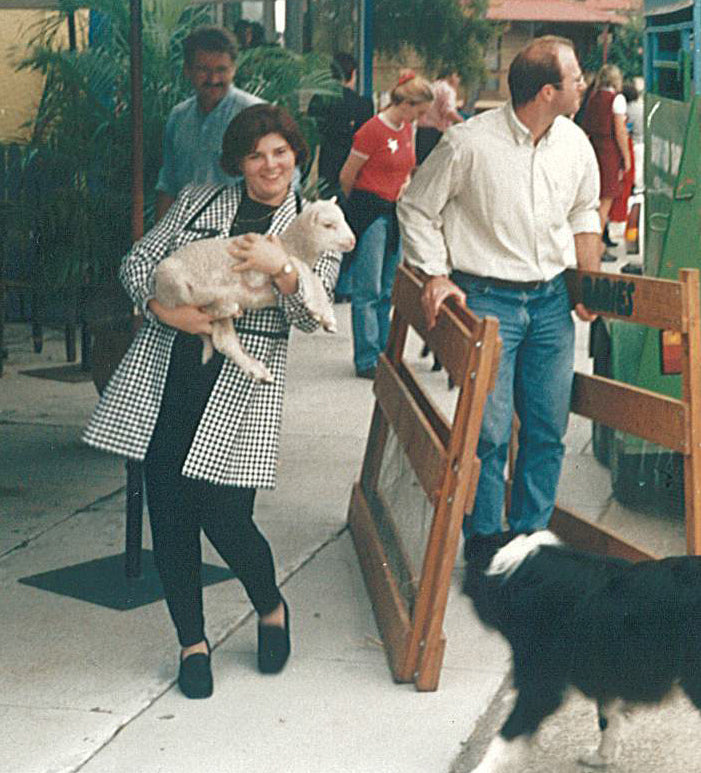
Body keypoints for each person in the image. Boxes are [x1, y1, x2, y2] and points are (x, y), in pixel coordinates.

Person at [84, 105, 341, 698]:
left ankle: (269, 603)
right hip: (166, 373)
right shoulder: (201, 202)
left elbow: (311, 315)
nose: (269, 165)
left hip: (239, 386)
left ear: (295, 155)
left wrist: (285, 271)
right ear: (238, 163)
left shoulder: (313, 223)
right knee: (169, 511)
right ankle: (191, 643)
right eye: (256, 155)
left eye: (280, 152)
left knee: (226, 516)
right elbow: (138, 264)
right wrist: (162, 308)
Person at [397, 36, 601, 561]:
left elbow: (583, 213)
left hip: (553, 303)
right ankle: (487, 547)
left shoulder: (575, 143)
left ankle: (529, 546)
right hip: (488, 301)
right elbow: (418, 207)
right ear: (548, 90)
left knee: (548, 428)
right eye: (575, 76)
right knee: (486, 434)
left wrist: (590, 281)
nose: (584, 82)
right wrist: (436, 274)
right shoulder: (468, 143)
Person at [339, 70, 433, 379]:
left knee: (387, 288)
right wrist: (360, 207)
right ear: (405, 103)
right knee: (368, 286)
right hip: (370, 211)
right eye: (418, 111)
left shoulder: (407, 128)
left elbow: (408, 166)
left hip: (394, 211)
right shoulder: (371, 130)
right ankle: (367, 356)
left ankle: (383, 350)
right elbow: (347, 175)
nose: (418, 118)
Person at [154, 25, 263, 222]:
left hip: (239, 236)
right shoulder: (178, 118)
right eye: (203, 70)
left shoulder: (256, 115)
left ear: (233, 69)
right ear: (187, 70)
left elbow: (283, 183)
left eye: (221, 70)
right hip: (186, 235)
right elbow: (168, 185)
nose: (213, 79)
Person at [307, 53, 374, 301]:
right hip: (353, 167)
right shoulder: (362, 104)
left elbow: (313, 135)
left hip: (328, 163)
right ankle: (344, 283)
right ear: (353, 75)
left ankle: (324, 279)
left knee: (326, 223)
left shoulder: (320, 100)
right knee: (347, 223)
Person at [580, 64, 632, 261]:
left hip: (594, 150)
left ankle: (595, 245)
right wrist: (626, 157)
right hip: (610, 153)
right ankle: (596, 249)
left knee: (594, 202)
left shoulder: (593, 98)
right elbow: (620, 131)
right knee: (605, 203)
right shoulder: (617, 100)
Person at [415, 69, 463, 164]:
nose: (458, 80)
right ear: (450, 76)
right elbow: (448, 112)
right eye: (457, 76)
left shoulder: (431, 87)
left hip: (421, 131)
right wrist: (463, 122)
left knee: (422, 165)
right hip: (436, 133)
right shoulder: (447, 90)